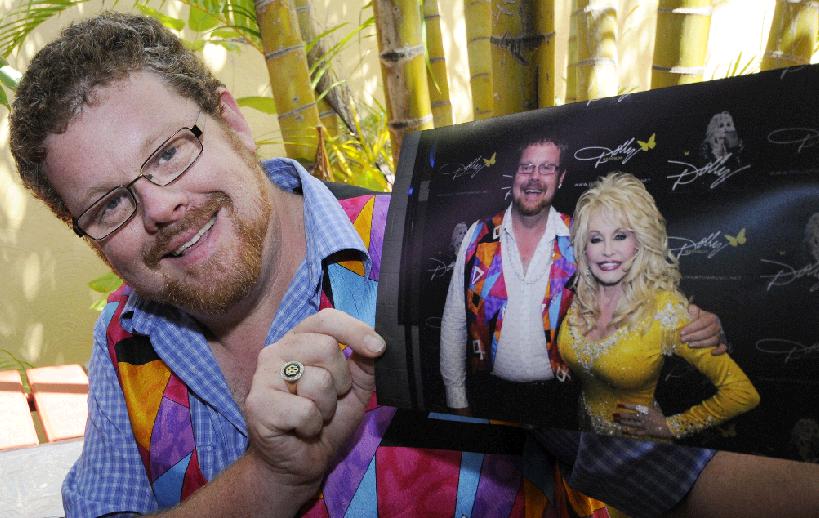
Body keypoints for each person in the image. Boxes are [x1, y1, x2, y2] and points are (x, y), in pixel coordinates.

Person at [9, 12, 819, 518]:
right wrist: (271, 479)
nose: (157, 207)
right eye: (109, 204)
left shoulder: (451, 252)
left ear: (229, 120)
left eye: (168, 153)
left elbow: (693, 484)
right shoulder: (127, 335)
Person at [439, 137, 716, 427]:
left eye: (547, 168)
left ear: (561, 179)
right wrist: (457, 400)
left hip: (562, 400)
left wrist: (694, 318)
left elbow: (636, 289)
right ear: (514, 175)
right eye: (527, 167)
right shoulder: (478, 235)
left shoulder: (581, 237)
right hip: (489, 396)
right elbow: (454, 320)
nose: (534, 177)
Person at [557, 172, 760, 441]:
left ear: (640, 242)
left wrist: (672, 426)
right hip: (584, 435)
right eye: (595, 239)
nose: (607, 250)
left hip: (637, 451)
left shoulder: (666, 310)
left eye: (620, 236)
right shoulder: (577, 296)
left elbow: (742, 393)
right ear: (584, 248)